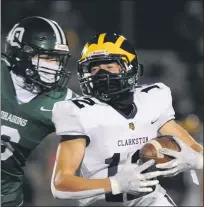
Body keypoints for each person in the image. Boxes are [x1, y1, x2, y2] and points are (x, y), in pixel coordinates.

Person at [51, 33, 203, 206]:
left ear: (131, 68)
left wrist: (195, 159)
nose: (101, 74)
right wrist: (116, 184)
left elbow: (193, 148)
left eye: (109, 66)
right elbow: (60, 185)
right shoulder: (80, 112)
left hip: (147, 198)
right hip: (101, 203)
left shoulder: (151, 100)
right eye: (94, 69)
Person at [1, 16, 77, 206]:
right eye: (46, 57)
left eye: (58, 60)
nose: (55, 66)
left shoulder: (63, 102)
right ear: (21, 54)